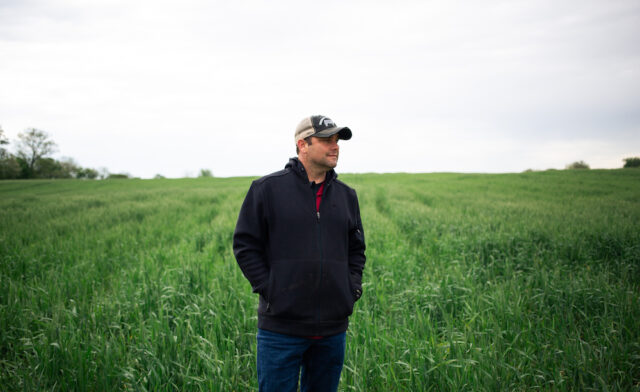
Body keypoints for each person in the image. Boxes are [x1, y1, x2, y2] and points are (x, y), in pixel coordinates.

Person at [233, 115, 367, 392]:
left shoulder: (346, 196)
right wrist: (272, 290)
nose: (335, 146)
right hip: (281, 330)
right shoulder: (267, 189)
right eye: (327, 140)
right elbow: (245, 245)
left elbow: (356, 250)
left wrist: (350, 289)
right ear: (302, 144)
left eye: (337, 140)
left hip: (332, 330)